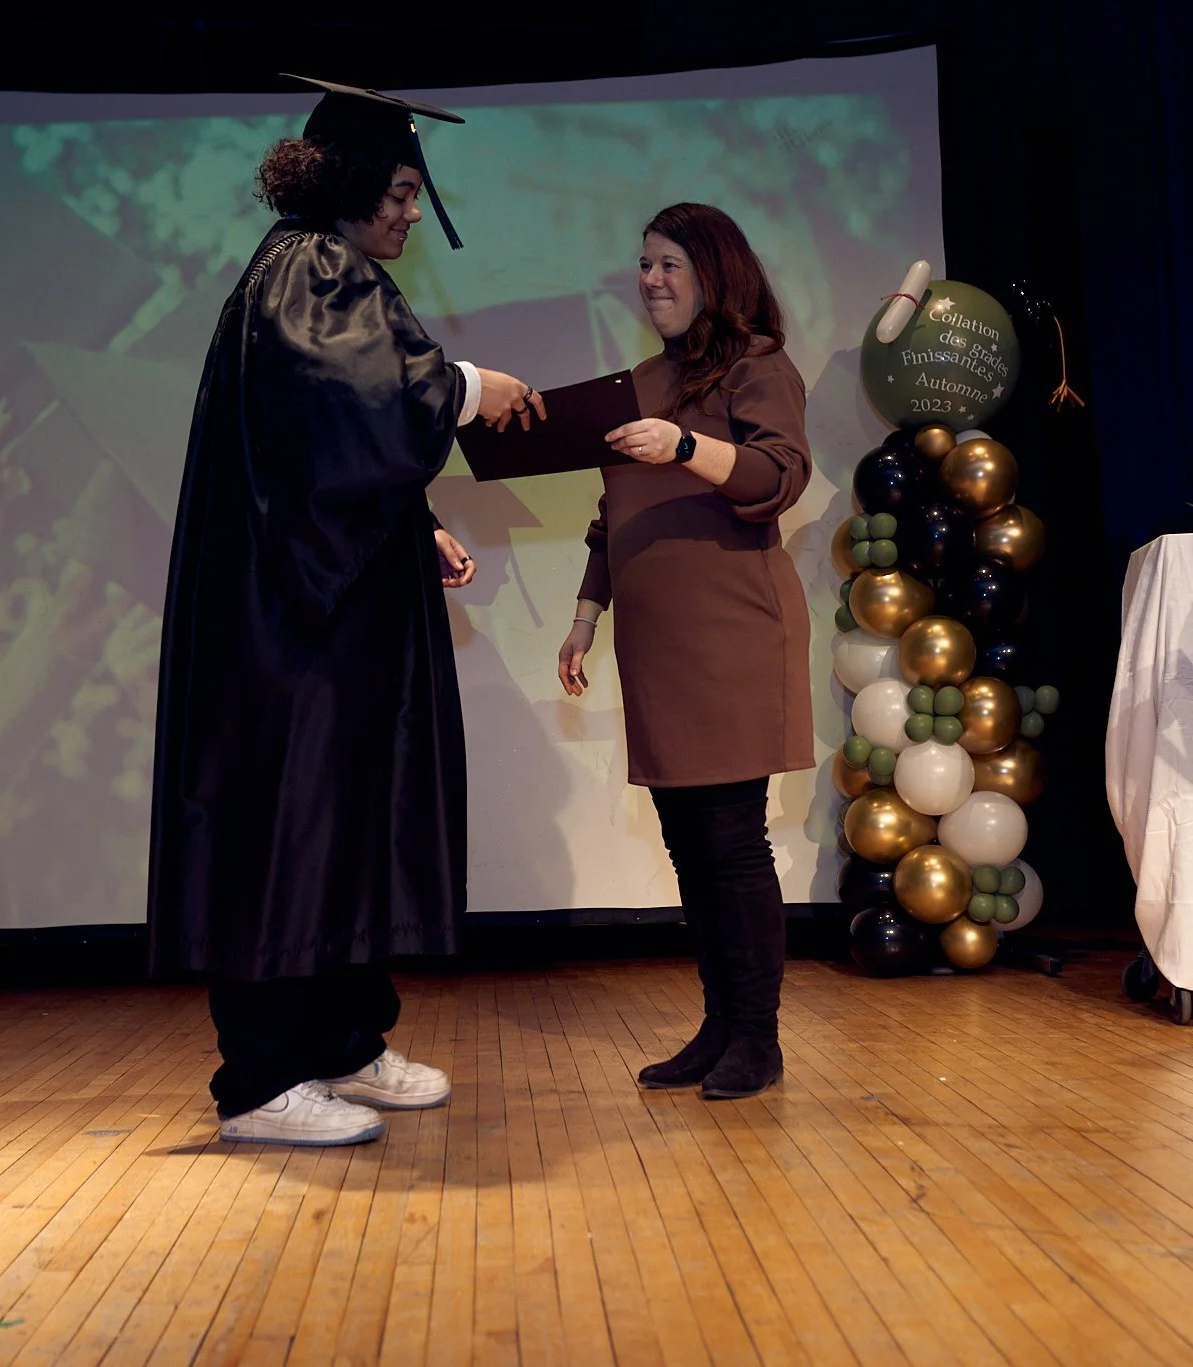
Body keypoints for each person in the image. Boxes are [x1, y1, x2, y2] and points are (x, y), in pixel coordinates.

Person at [147, 75, 545, 1145]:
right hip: (288, 637)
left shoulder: (318, 270)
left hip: (326, 621)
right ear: (354, 186)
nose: (412, 213)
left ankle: (341, 1043)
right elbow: (354, 399)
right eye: (402, 192)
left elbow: (312, 452)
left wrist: (415, 521)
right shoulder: (307, 270)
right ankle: (261, 1083)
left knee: (345, 823)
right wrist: (471, 388)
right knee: (289, 826)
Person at [557, 203, 813, 1099]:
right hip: (657, 642)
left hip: (732, 631)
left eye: (669, 263)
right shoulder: (639, 380)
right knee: (687, 845)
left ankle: (758, 1039)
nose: (651, 279)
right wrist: (586, 613)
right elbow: (614, 510)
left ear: (715, 272)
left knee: (732, 843)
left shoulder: (758, 364)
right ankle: (718, 1025)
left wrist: (687, 445)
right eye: (644, 263)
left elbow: (779, 473)